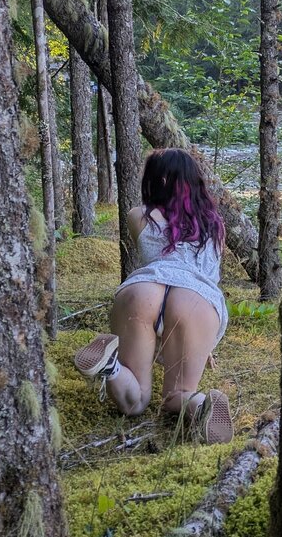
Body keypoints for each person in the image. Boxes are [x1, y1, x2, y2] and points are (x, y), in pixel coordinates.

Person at [73, 148, 233, 444]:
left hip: (143, 289)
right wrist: (203, 340)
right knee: (177, 394)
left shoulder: (139, 216)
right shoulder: (214, 224)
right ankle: (200, 404)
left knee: (136, 401)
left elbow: (158, 249)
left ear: (157, 180)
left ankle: (110, 366)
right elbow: (211, 275)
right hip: (196, 297)